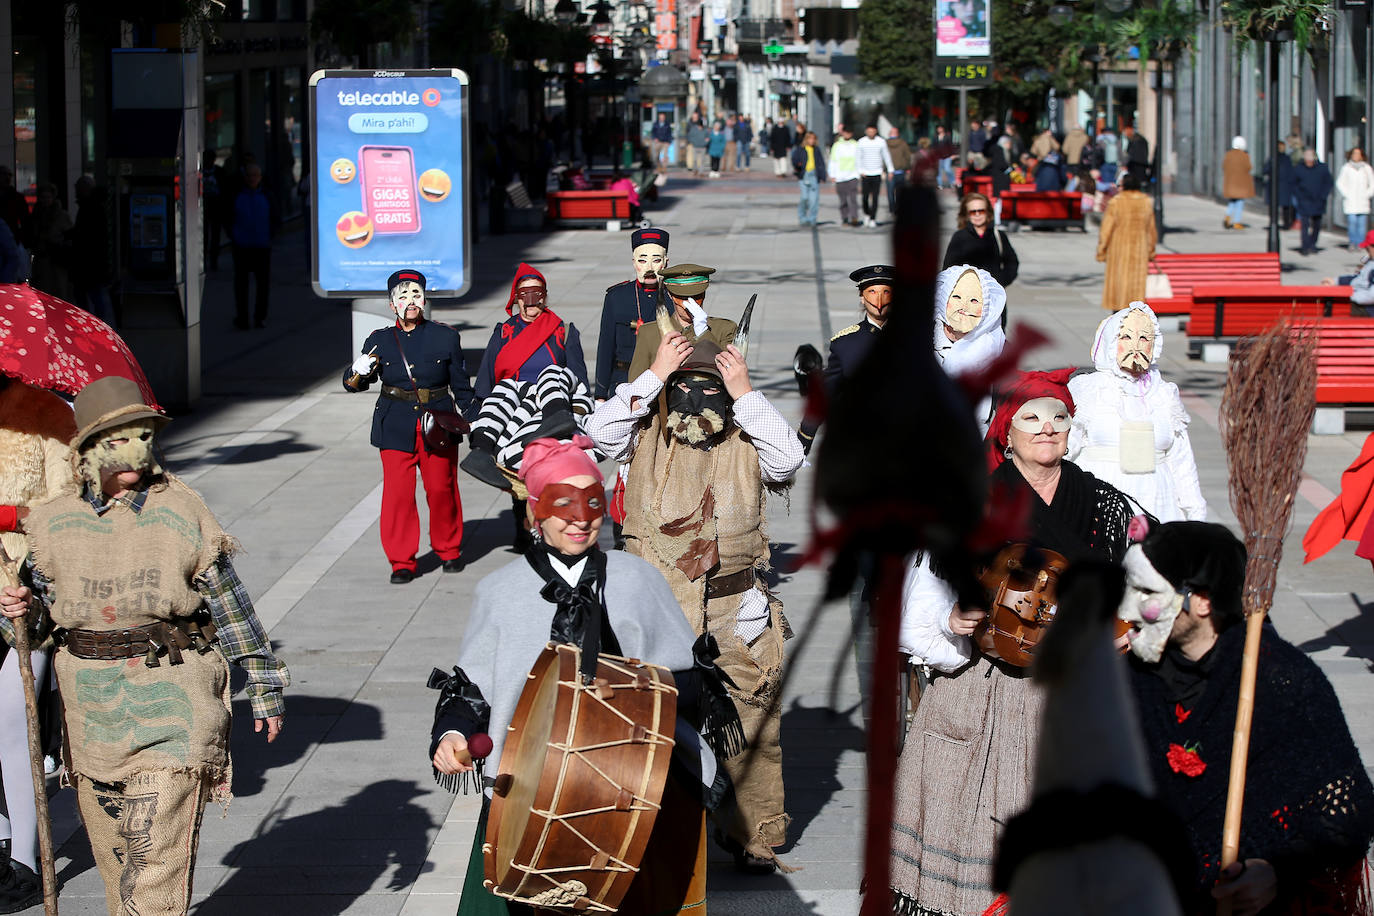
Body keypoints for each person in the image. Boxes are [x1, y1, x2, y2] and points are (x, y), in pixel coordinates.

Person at [0, 376, 288, 916]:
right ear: (84, 452)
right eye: (115, 440)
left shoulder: (182, 511)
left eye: (141, 436)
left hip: (174, 700)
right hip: (92, 716)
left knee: (152, 863)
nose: (133, 450)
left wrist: (265, 683)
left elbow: (230, 604)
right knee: (119, 867)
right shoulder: (53, 524)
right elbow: (36, 629)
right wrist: (20, 612)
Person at [430, 436, 731, 914]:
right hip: (528, 795)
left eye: (592, 500)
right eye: (561, 502)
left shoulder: (638, 579)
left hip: (635, 787)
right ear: (535, 513)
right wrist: (452, 735)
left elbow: (690, 684)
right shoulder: (500, 592)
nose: (579, 517)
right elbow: (471, 691)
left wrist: (634, 693)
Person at [891, 369, 1137, 916]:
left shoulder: (1106, 505)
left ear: (1072, 430)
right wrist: (951, 619)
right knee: (978, 829)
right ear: (1006, 432)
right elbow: (921, 599)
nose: (1047, 430)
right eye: (1032, 418)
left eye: (1059, 419)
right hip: (988, 690)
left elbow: (1148, 583)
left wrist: (1130, 629)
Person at [585, 321, 805, 873]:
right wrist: (654, 375)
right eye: (685, 387)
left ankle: (754, 836)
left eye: (713, 389)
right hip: (653, 613)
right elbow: (597, 434)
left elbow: (789, 460)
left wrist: (746, 392)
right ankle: (642, 831)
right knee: (646, 725)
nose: (697, 400)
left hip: (736, 613)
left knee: (751, 724)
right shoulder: (640, 435)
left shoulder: (748, 437)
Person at [1121, 520, 1374, 915]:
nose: (1126, 608)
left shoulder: (1283, 681)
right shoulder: (1127, 679)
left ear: (1202, 601)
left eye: (1147, 592)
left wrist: (1275, 870)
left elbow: (1347, 810)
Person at [343, 269, 475, 583]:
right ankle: (402, 560)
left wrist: (475, 417)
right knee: (398, 495)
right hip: (395, 423)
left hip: (438, 422)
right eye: (402, 297)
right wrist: (356, 370)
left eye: (415, 295)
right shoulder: (379, 340)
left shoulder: (446, 336)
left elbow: (461, 386)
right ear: (392, 305)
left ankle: (449, 549)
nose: (410, 302)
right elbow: (354, 384)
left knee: (441, 489)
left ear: (424, 299)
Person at [0, 379, 75, 913]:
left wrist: (7, 517)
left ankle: (24, 861)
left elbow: (64, 512)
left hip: (22, 592)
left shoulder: (44, 413)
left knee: (14, 730)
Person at [1068, 301, 1206, 522]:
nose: (1136, 346)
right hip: (1100, 503)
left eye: (1144, 338)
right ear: (1112, 342)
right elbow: (1066, 450)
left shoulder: (1163, 394)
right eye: (1126, 337)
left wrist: (1195, 514)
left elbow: (1181, 461)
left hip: (1158, 504)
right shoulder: (1089, 389)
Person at [797, 264, 895, 454]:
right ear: (862, 296)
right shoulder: (845, 344)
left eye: (886, 291)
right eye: (872, 291)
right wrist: (803, 440)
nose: (879, 299)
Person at [475, 263, 588, 403]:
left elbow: (579, 380)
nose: (530, 301)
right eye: (524, 294)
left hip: (552, 407)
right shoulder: (503, 333)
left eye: (536, 294)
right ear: (516, 298)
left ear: (545, 297)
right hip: (510, 405)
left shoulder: (564, 332)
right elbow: (486, 379)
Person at [626, 263, 738, 384]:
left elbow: (730, 375)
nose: (690, 304)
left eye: (697, 297)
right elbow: (635, 385)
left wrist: (703, 332)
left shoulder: (725, 329)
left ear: (704, 294)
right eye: (682, 297)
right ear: (670, 294)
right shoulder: (649, 332)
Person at [932, 264, 1007, 432]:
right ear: (944, 299)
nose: (964, 307)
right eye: (957, 297)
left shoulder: (997, 350)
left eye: (974, 300)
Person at [597, 228, 668, 400]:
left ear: (665, 262)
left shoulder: (675, 298)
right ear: (634, 262)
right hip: (624, 382)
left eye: (656, 260)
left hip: (664, 383)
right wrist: (600, 395)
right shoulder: (617, 297)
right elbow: (606, 347)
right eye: (642, 261)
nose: (649, 268)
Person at [226, 162, 277, 329]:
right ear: (245, 177)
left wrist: (270, 237)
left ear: (260, 177)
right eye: (249, 175)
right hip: (242, 247)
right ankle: (242, 317)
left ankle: (259, 317)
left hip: (262, 246)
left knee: (262, 285)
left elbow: (275, 218)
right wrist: (233, 237)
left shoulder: (267, 195)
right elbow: (228, 218)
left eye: (255, 175)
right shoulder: (236, 195)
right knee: (241, 285)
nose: (252, 179)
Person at [1096, 172, 1156, 311]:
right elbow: (1151, 229)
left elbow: (1106, 229)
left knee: (1119, 284)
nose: (1118, 188)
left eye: (1120, 185)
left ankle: (1118, 315)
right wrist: (1151, 250)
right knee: (1136, 285)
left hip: (1119, 250)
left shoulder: (1116, 202)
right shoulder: (1145, 202)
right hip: (1139, 251)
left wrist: (1102, 250)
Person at [943, 192, 1019, 288]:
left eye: (981, 211)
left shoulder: (998, 235)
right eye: (973, 212)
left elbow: (1012, 262)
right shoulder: (959, 237)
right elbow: (949, 269)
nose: (977, 214)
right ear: (966, 214)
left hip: (994, 296)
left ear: (988, 212)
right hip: (967, 296)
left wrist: (1000, 282)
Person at [70, 176, 114, 326]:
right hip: (93, 263)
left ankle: (93, 325)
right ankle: (96, 325)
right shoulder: (95, 207)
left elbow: (87, 236)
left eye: (78, 189)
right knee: (95, 296)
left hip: (89, 262)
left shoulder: (90, 208)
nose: (75, 192)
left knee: (91, 296)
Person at [26, 183, 71, 300]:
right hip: (41, 262)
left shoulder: (61, 216)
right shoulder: (36, 216)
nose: (45, 200)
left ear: (53, 198)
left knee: (59, 295)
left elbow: (69, 237)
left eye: (48, 197)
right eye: (43, 197)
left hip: (56, 261)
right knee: (42, 294)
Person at [1293, 147, 1334, 256]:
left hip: (1318, 200)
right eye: (1306, 157)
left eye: (1310, 157)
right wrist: (1299, 196)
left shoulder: (1322, 168)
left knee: (1316, 224)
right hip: (1304, 200)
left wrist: (1323, 196)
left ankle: (1313, 244)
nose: (1308, 159)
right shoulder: (1299, 168)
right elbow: (1294, 184)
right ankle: (1305, 246)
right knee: (1305, 224)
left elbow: (1329, 183)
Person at [854, 124, 894, 228]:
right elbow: (858, 157)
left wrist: (890, 170)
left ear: (876, 131)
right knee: (865, 197)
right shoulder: (861, 142)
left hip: (877, 173)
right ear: (866, 131)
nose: (871, 133)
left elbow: (886, 156)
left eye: (873, 131)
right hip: (865, 173)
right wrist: (859, 170)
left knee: (875, 197)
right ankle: (866, 214)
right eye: (869, 131)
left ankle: (873, 218)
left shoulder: (881, 142)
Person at [1335, 146, 1374, 250]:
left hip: (1362, 201)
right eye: (1354, 153)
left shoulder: (1366, 168)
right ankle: (1352, 242)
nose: (1356, 156)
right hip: (1351, 201)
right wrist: (1346, 194)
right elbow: (1340, 183)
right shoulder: (1346, 168)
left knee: (1362, 225)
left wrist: (1368, 194)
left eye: (1358, 154)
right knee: (1352, 223)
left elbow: (1372, 183)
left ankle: (1360, 244)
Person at [792, 131, 827, 226]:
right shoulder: (801, 149)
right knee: (804, 197)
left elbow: (821, 163)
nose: (811, 141)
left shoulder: (816, 150)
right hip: (804, 175)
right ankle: (802, 217)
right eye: (809, 138)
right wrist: (797, 165)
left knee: (814, 199)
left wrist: (823, 175)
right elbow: (794, 159)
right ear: (806, 139)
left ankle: (812, 219)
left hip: (814, 175)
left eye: (813, 139)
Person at [829, 125, 861, 227]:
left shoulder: (856, 145)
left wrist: (859, 173)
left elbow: (859, 159)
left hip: (853, 175)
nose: (847, 134)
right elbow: (833, 160)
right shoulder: (837, 145)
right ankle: (845, 218)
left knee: (853, 198)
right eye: (846, 132)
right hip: (840, 176)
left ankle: (854, 217)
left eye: (849, 132)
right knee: (843, 200)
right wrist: (832, 174)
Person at [1222, 136, 1256, 230]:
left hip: (1230, 183)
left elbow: (1224, 166)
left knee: (1232, 201)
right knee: (1240, 202)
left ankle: (1228, 216)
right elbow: (1249, 167)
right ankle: (1237, 221)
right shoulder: (1244, 155)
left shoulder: (1228, 155)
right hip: (1241, 183)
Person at [1267, 140, 1297, 231]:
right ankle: (1286, 224)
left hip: (1276, 186)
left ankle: (1274, 223)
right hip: (1284, 186)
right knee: (1285, 207)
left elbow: (1265, 169)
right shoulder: (1286, 159)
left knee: (1275, 206)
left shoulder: (1273, 158)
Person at [886, 128, 912, 213]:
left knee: (890, 191)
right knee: (899, 191)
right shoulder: (903, 143)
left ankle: (892, 208)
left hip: (889, 172)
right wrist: (908, 167)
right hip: (901, 170)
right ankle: (898, 208)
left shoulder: (885, 143)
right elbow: (908, 156)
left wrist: (883, 169)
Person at [934, 124, 957, 190]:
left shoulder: (947, 136)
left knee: (947, 169)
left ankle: (952, 181)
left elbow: (951, 145)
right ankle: (940, 184)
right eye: (938, 128)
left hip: (947, 155)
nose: (939, 130)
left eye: (940, 128)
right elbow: (934, 147)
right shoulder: (935, 137)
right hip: (938, 156)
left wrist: (953, 154)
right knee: (939, 171)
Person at [650, 112, 673, 176]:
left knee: (665, 156)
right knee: (656, 156)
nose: (662, 118)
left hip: (665, 142)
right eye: (661, 117)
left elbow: (669, 133)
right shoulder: (655, 124)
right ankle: (659, 167)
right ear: (659, 117)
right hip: (658, 142)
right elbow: (652, 132)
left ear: (664, 117)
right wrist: (654, 138)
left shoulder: (667, 124)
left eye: (663, 117)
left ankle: (664, 168)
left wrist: (669, 141)